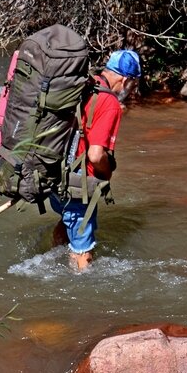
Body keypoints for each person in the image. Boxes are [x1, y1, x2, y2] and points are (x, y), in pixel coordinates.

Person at [50, 49, 141, 270]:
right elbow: (95, 154)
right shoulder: (109, 103)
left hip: (53, 170)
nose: (132, 90)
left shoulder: (85, 85)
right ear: (125, 79)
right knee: (84, 251)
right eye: (133, 84)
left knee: (66, 221)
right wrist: (106, 173)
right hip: (76, 181)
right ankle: (78, 292)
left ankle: (52, 257)